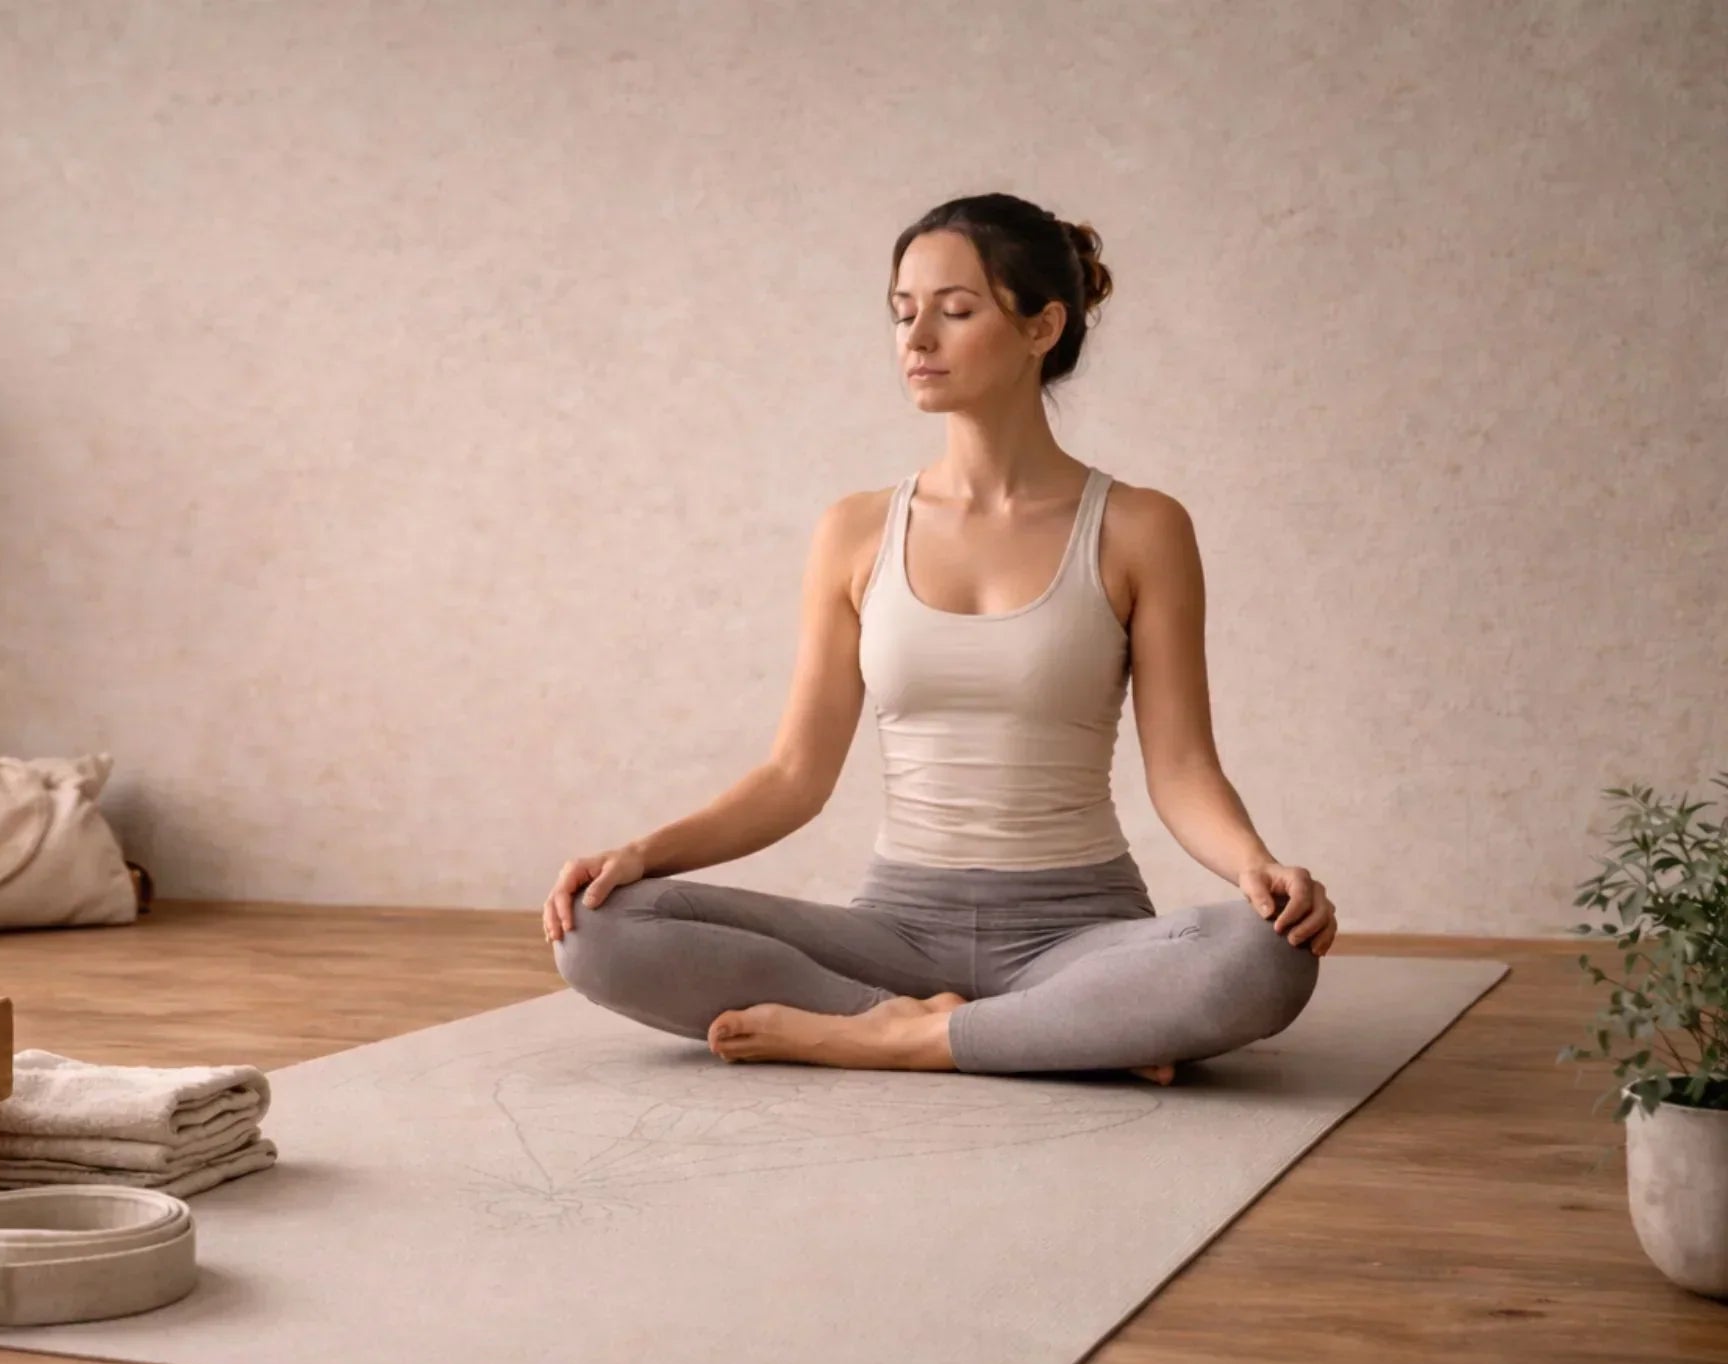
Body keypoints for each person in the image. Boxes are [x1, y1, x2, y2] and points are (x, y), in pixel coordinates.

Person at [543, 194, 1332, 1080]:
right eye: (902, 312)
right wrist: (639, 853)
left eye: (955, 311)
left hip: (1077, 931)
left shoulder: (1141, 528)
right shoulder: (855, 529)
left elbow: (1182, 769)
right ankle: (1046, 1035)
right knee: (601, 928)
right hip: (892, 932)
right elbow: (794, 776)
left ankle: (891, 1036)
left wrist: (1258, 866)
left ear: (1043, 327)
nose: (917, 338)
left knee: (1267, 954)